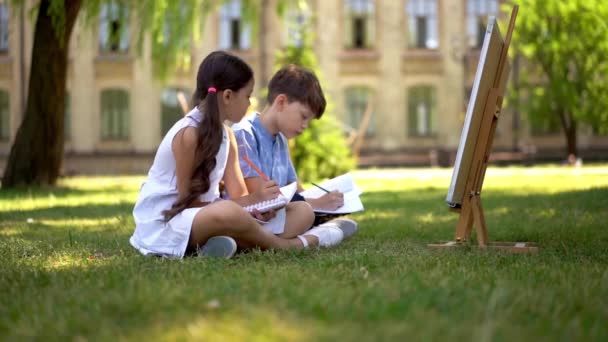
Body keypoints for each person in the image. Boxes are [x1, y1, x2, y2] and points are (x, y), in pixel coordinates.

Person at [129, 51, 345, 259]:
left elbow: (240, 198)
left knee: (302, 212)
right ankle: (290, 245)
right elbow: (189, 204)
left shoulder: (228, 137)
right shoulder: (188, 134)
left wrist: (260, 207)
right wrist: (249, 203)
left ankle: (223, 245)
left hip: (213, 217)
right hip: (170, 222)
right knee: (229, 214)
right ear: (228, 96)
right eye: (247, 96)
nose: (250, 103)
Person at [232, 64, 357, 237]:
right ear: (281, 102)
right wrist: (318, 204)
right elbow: (259, 196)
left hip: (277, 216)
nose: (305, 126)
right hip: (253, 218)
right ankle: (317, 233)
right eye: (303, 116)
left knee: (304, 211)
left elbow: (296, 190)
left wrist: (323, 203)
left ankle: (317, 227)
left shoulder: (281, 139)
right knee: (304, 213)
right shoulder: (244, 134)